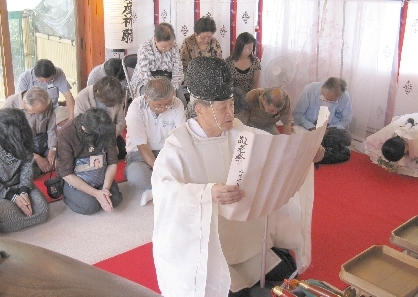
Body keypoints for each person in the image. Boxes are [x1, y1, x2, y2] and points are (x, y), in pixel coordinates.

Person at [152, 57, 306, 297]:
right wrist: (207, 193)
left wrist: (305, 151)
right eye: (223, 107)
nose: (231, 112)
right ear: (200, 109)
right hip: (207, 242)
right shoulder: (178, 146)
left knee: (286, 270)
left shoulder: (238, 130)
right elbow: (165, 191)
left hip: (245, 235)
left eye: (232, 104)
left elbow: (274, 148)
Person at [125, 77, 185, 206]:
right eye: (158, 105)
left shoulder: (177, 103)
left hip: (167, 150)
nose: (163, 108)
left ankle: (155, 190)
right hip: (140, 154)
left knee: (189, 165)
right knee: (136, 175)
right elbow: (142, 146)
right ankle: (168, 187)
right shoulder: (136, 108)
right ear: (146, 98)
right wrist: (160, 168)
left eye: (167, 104)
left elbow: (180, 137)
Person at [56, 108, 123, 215]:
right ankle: (67, 194)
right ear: (84, 128)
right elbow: (66, 173)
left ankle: (100, 191)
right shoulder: (66, 133)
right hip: (77, 178)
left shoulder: (107, 127)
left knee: (115, 200)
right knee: (90, 206)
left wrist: (105, 189)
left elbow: (112, 161)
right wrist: (95, 193)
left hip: (100, 175)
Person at [0, 108, 50, 233]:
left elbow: (27, 168)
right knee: (7, 216)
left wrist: (24, 192)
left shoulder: (24, 139)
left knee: (43, 210)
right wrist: (12, 197)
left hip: (20, 184)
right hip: (2, 190)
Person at [292, 77, 353, 163]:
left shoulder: (345, 97)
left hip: (330, 127)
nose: (330, 102)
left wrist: (328, 129)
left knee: (346, 138)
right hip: (310, 125)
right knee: (297, 135)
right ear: (322, 87)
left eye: (334, 100)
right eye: (328, 99)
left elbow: (346, 119)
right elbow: (298, 114)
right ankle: (323, 149)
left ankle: (317, 149)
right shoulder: (309, 90)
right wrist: (312, 128)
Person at [3, 87, 57, 177]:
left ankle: (45, 166)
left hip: (43, 142)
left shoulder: (47, 103)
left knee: (61, 161)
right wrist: (35, 157)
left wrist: (53, 150)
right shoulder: (11, 104)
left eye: (41, 112)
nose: (37, 115)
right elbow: (8, 140)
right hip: (20, 145)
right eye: (34, 112)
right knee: (26, 171)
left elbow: (52, 130)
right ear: (24, 103)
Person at [129, 22, 185, 106]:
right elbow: (144, 75)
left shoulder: (174, 47)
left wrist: (173, 88)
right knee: (149, 103)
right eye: (164, 46)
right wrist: (157, 90)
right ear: (155, 39)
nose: (168, 48)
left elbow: (178, 70)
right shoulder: (144, 48)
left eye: (170, 45)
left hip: (168, 80)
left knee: (180, 101)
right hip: (147, 82)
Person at [74, 76, 127, 160]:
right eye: (106, 102)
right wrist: (96, 142)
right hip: (89, 134)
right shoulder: (82, 96)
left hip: (110, 133)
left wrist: (110, 139)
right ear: (97, 93)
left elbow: (121, 121)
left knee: (121, 152)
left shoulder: (118, 97)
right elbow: (79, 123)